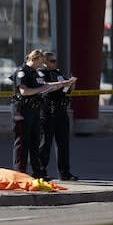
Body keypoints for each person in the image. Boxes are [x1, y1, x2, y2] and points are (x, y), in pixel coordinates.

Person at [10, 49, 71, 179]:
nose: (41, 65)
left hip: (35, 110)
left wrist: (61, 84)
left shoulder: (35, 73)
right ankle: (20, 173)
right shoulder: (22, 72)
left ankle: (37, 173)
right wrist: (41, 89)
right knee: (22, 143)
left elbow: (45, 85)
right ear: (34, 59)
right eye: (40, 62)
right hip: (22, 110)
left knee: (35, 142)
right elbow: (24, 91)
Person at [39, 51, 79, 181]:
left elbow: (65, 91)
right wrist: (63, 84)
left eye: (55, 60)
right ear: (44, 62)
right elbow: (45, 89)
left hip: (61, 110)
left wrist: (71, 84)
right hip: (48, 111)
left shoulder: (58, 73)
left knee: (63, 143)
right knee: (46, 143)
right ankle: (41, 171)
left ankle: (64, 172)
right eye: (52, 61)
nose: (54, 63)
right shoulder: (41, 74)